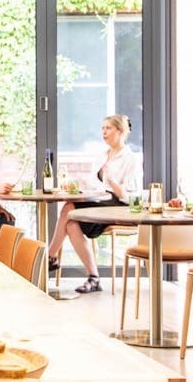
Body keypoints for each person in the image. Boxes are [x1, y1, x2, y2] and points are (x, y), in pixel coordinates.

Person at [46, 114, 141, 294]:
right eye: (102, 129)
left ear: (120, 131)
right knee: (72, 224)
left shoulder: (130, 159)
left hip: (120, 207)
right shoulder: (102, 156)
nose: (103, 132)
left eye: (108, 128)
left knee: (68, 208)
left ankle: (50, 256)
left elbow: (131, 197)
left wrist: (112, 181)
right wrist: (80, 188)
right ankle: (93, 278)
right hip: (101, 202)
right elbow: (95, 186)